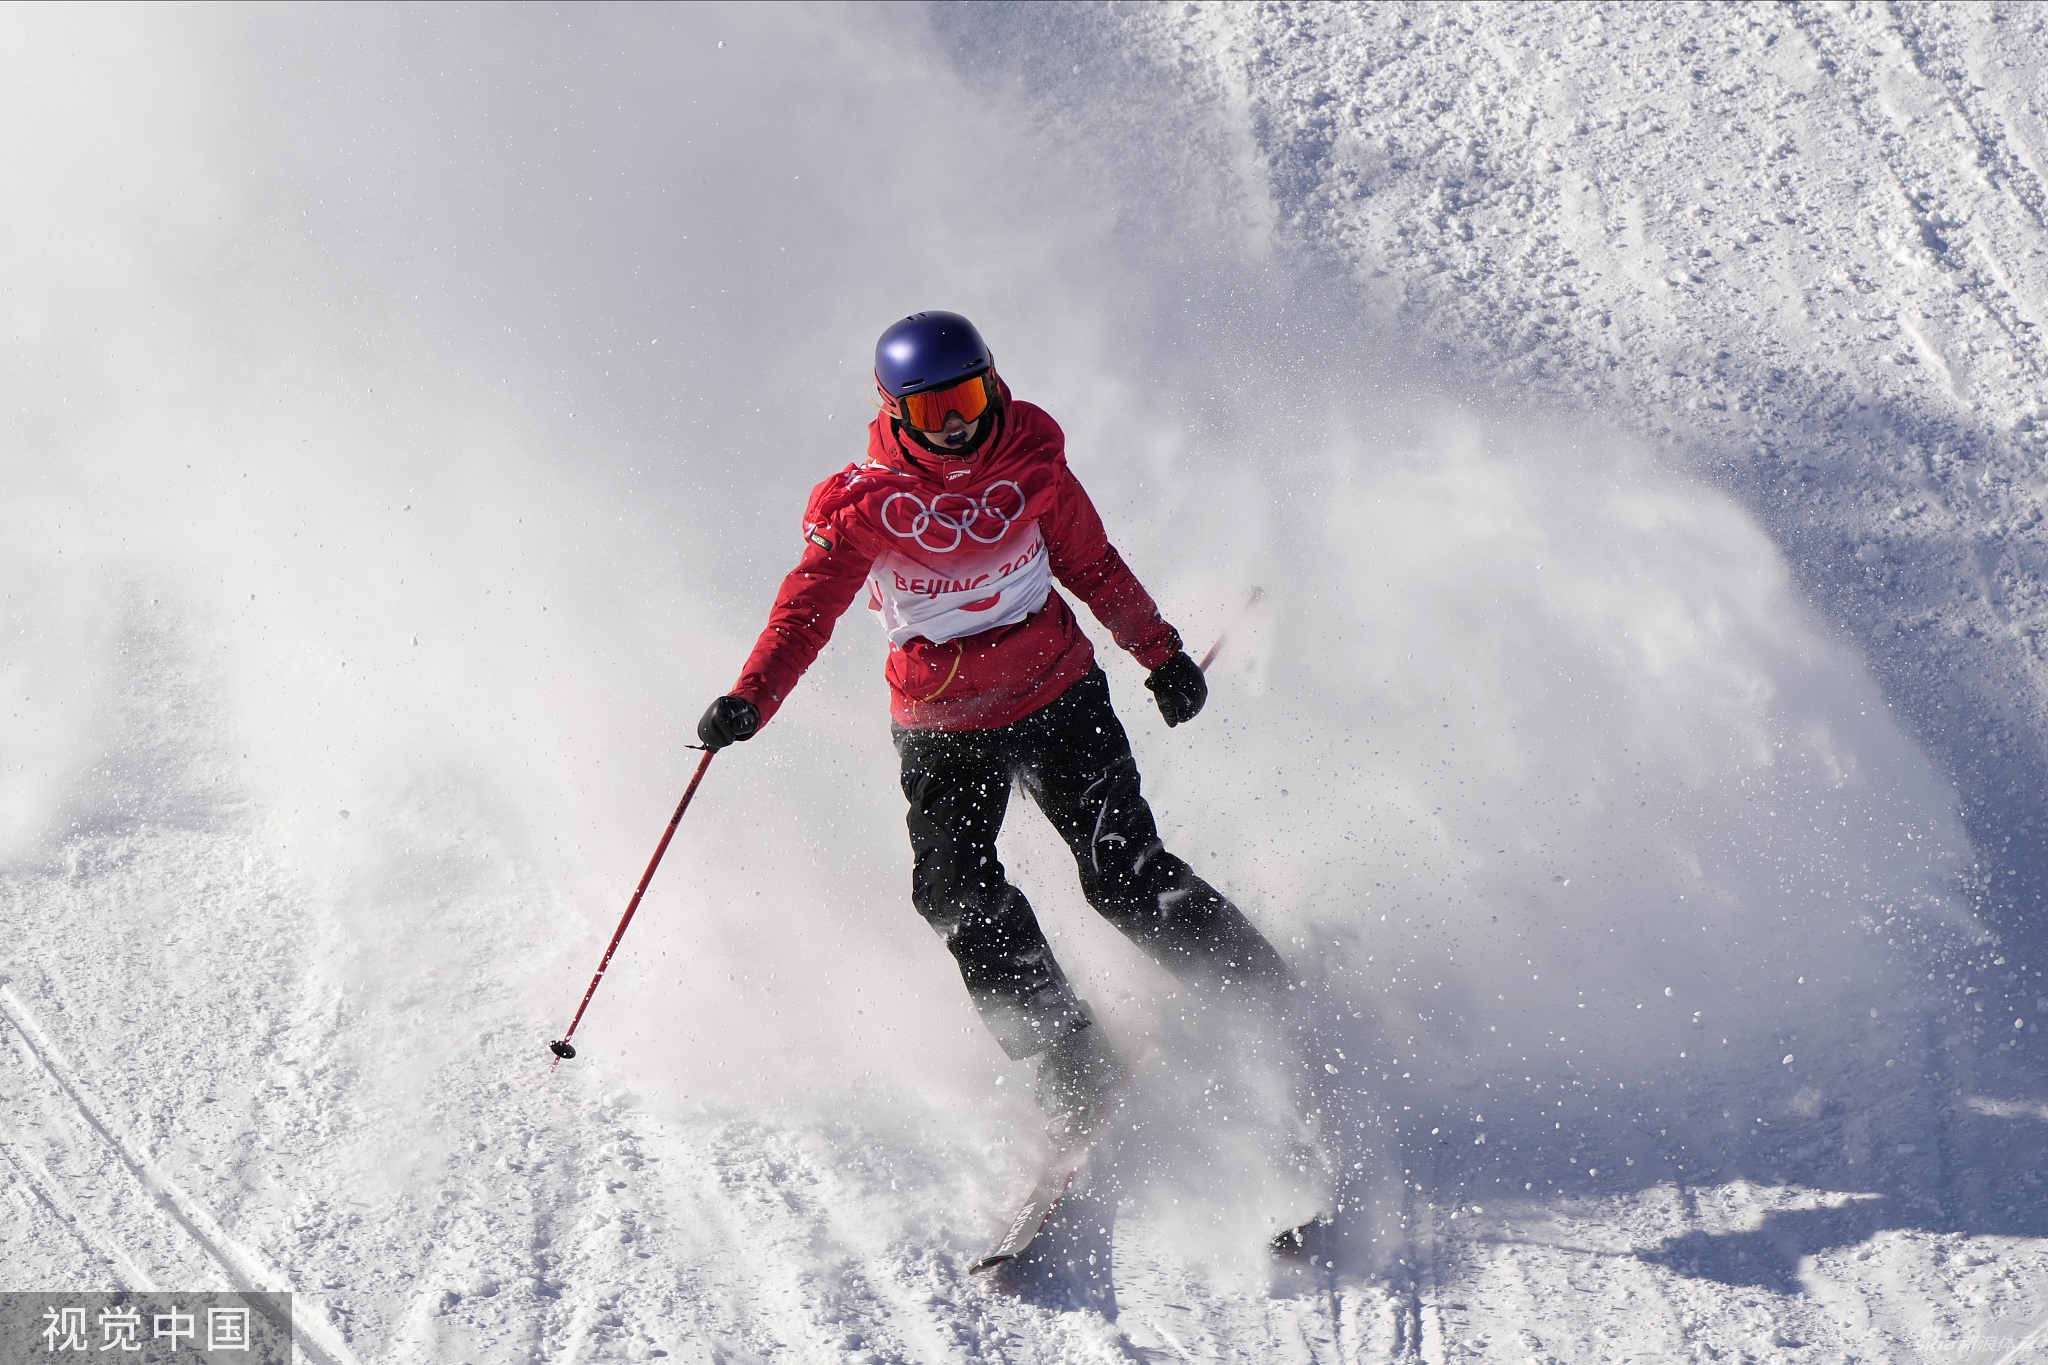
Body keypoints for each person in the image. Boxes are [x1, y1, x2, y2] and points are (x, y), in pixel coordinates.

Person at [697, 311, 1290, 1144]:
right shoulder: (865, 502)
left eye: (970, 397)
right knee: (953, 893)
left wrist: (1161, 653)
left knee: (1121, 870)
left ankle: (1261, 990)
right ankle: (1067, 1056)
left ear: (994, 382)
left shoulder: (1031, 461)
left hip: (1058, 696)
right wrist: (751, 697)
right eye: (934, 410)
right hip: (942, 724)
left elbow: (1093, 563)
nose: (959, 423)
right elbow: (806, 613)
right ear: (894, 409)